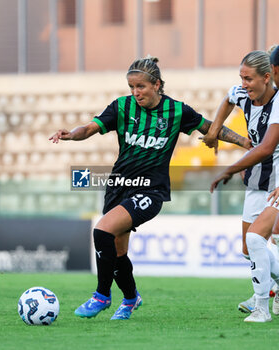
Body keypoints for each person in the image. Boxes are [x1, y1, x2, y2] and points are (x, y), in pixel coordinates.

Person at [49, 56, 250, 320]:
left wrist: (245, 142)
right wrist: (71, 134)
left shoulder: (177, 111)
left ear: (156, 84)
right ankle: (131, 299)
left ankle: (101, 295)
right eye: (132, 86)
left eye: (141, 86)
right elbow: (90, 127)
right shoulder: (121, 107)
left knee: (101, 231)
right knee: (119, 253)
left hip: (150, 190)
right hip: (119, 187)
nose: (136, 92)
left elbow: (212, 129)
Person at [210, 47, 279, 322]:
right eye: (241, 77)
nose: (243, 84)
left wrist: (233, 167)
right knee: (249, 248)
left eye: (248, 79)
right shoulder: (242, 94)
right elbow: (228, 99)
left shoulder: (277, 102)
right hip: (255, 181)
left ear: (266, 77)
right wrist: (215, 129)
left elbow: (266, 147)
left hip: (275, 179)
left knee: (261, 239)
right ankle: (267, 289)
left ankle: (262, 303)